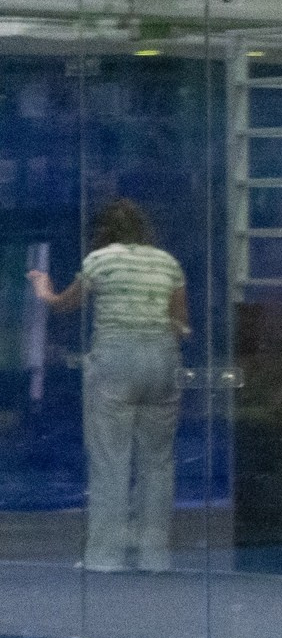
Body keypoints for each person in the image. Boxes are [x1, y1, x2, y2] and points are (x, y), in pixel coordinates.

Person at [28, 199, 188, 573]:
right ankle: (154, 556)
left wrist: (44, 289)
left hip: (115, 359)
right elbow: (180, 323)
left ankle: (105, 557)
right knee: (158, 463)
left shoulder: (100, 260)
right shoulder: (168, 262)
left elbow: (65, 304)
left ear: (104, 231)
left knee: (110, 461)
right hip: (162, 360)